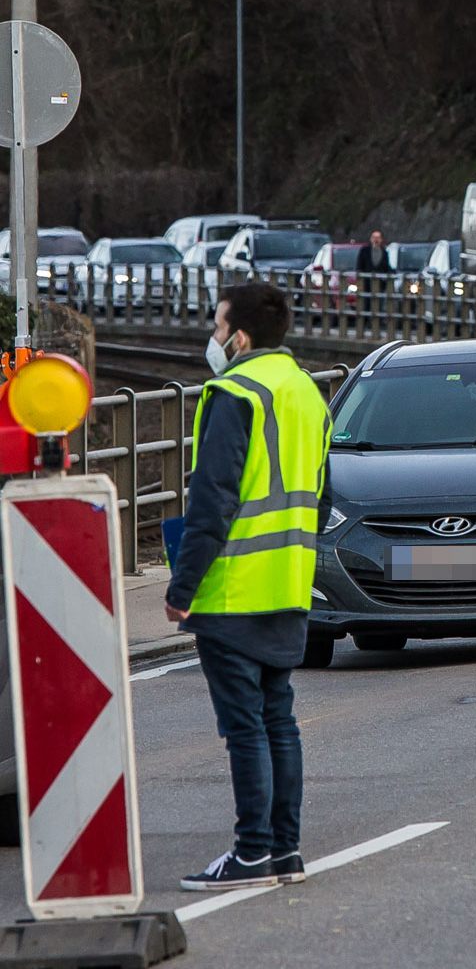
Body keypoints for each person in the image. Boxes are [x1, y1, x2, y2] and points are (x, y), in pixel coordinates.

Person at [166, 282, 332, 891]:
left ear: (239, 337)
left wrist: (182, 585)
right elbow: (322, 492)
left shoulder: (233, 392)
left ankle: (253, 851)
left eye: (216, 327)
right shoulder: (308, 394)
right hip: (290, 583)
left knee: (245, 728)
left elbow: (212, 503)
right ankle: (285, 851)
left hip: (234, 589)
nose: (213, 339)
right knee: (278, 720)